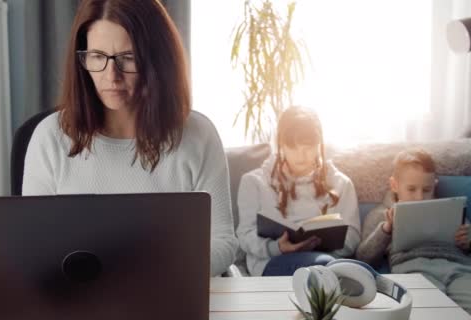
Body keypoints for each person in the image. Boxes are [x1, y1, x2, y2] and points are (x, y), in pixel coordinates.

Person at [21, 0, 237, 276]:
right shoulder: (49, 137)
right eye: (97, 56)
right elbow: (34, 246)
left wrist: (157, 273)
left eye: (128, 57)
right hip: (79, 300)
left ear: (157, 59)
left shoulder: (198, 134)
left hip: (168, 294)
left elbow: (223, 242)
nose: (112, 76)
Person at [237, 106, 361, 276]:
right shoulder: (253, 182)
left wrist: (316, 245)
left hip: (326, 260)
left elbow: (352, 237)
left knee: (327, 267)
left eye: (308, 148)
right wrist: (277, 247)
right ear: (281, 144)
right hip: (272, 261)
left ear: (319, 145)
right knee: (327, 270)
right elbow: (245, 235)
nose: (301, 156)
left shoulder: (341, 183)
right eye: (293, 147)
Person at [356, 148, 471, 313]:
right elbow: (364, 257)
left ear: (434, 185)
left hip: (459, 269)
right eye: (411, 189)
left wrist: (469, 240)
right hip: (416, 272)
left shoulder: (451, 208)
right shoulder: (381, 214)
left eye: (426, 190)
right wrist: (386, 229)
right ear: (394, 185)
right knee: (432, 313)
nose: (419, 197)